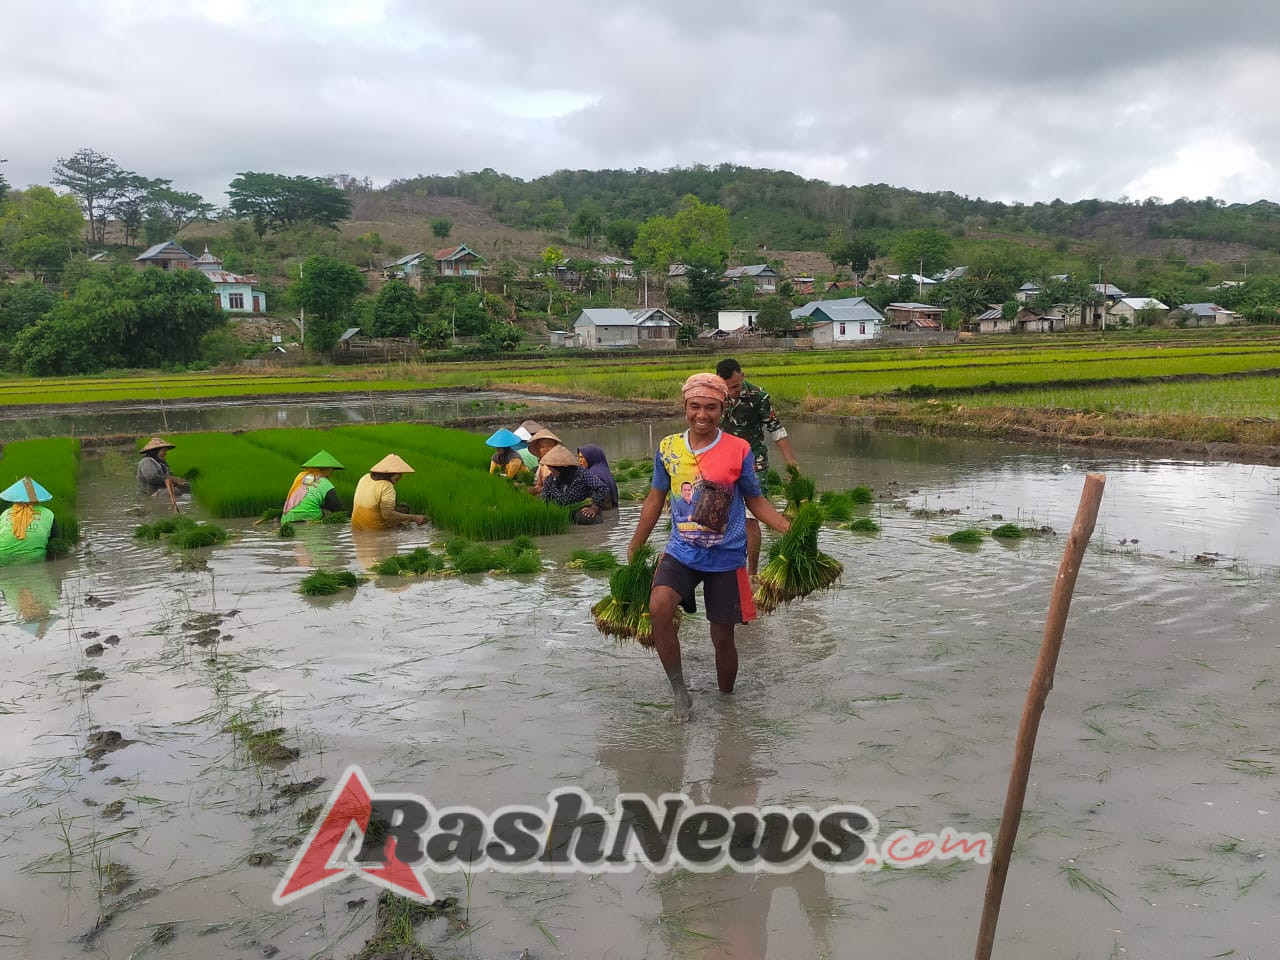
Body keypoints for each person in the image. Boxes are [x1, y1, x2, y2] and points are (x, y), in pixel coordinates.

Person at [626, 373, 790, 722]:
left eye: (711, 408)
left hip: (726, 555)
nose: (702, 414)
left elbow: (755, 501)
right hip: (682, 550)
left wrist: (787, 528)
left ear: (722, 409)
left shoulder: (738, 450)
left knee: (723, 638)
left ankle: (727, 703)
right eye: (695, 406)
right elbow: (655, 499)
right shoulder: (668, 448)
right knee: (658, 606)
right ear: (685, 407)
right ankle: (679, 693)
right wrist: (635, 544)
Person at [715, 358, 800, 576]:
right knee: (717, 514)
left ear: (742, 375)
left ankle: (751, 574)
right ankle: (722, 567)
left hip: (753, 460)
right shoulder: (715, 395)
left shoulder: (759, 396)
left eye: (735, 386)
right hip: (721, 461)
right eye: (727, 388)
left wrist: (790, 461)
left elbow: (775, 428)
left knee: (752, 516)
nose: (732, 392)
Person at [537, 444, 611, 524]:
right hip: (563, 511)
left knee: (583, 518)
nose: (551, 471)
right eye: (550, 468)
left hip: (582, 508)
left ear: (563, 467)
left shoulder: (581, 473)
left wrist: (594, 508)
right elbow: (543, 499)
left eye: (553, 468)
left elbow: (602, 488)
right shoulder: (550, 480)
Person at [350, 454, 427, 531]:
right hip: (376, 530)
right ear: (390, 473)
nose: (401, 477)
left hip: (356, 527)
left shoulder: (365, 477)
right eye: (399, 474)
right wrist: (413, 517)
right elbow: (387, 514)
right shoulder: (387, 486)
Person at [0, 476, 61, 566]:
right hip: (34, 560)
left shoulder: (6, 513)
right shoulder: (48, 514)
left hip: (2, 558)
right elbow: (55, 541)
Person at [281, 451, 344, 523]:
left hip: (288, 517)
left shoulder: (301, 478)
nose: (332, 471)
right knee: (328, 513)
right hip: (309, 517)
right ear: (325, 469)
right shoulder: (325, 483)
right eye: (331, 469)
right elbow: (337, 508)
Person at [576, 444, 618, 510]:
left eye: (582, 457)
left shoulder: (592, 474)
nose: (579, 460)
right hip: (612, 511)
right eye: (579, 457)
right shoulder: (604, 471)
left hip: (601, 512)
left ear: (591, 457)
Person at [525, 428, 563, 493]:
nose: (545, 450)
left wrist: (539, 489)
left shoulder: (559, 464)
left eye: (548, 447)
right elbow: (539, 484)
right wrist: (533, 489)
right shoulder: (542, 465)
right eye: (542, 447)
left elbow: (557, 486)